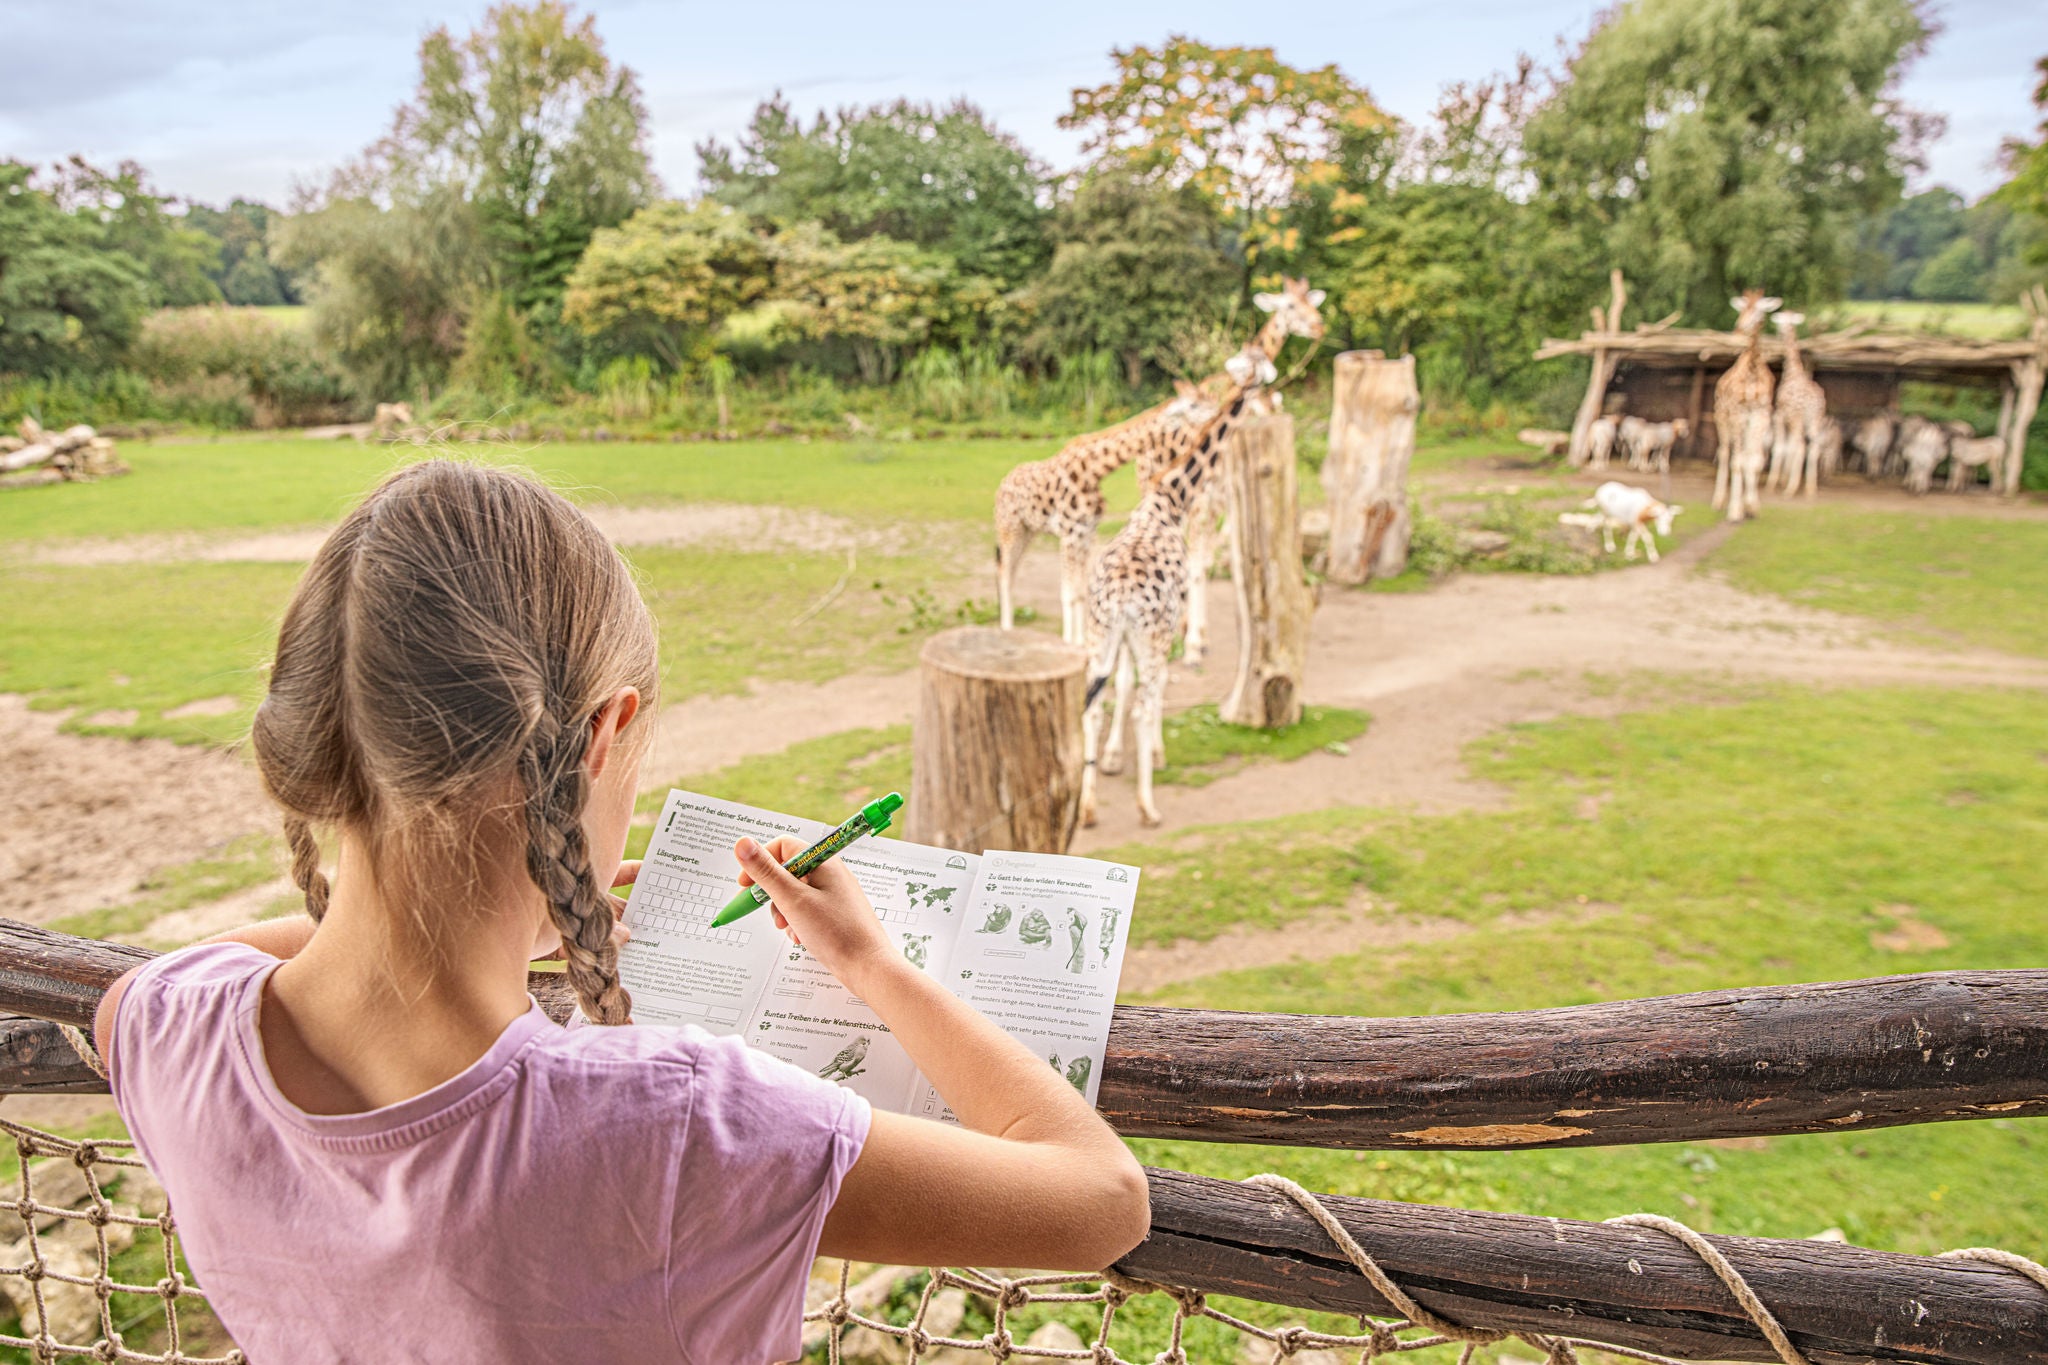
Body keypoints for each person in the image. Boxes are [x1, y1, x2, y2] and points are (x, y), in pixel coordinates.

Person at [92, 460, 1148, 1364]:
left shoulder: (156, 1021)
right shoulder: (674, 1124)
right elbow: (1099, 1199)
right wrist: (869, 961)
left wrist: (518, 920)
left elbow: (272, 963)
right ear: (601, 734)